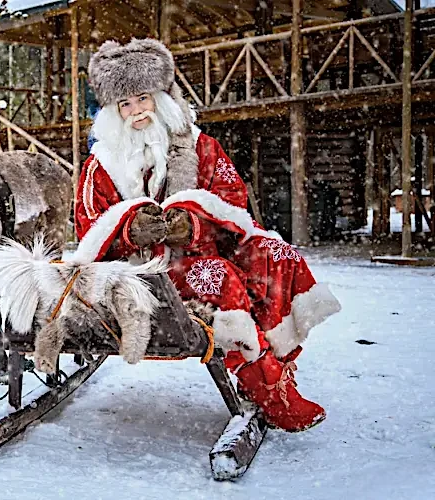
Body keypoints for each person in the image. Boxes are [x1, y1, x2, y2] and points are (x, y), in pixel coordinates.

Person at [74, 38, 341, 432]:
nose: (135, 112)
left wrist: (192, 223)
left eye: (143, 99)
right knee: (221, 279)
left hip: (198, 253)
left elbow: (233, 201)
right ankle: (266, 385)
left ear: (161, 98)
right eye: (125, 104)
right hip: (137, 273)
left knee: (276, 255)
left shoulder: (201, 147)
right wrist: (129, 230)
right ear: (113, 112)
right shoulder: (101, 166)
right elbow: (88, 226)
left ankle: (274, 369)